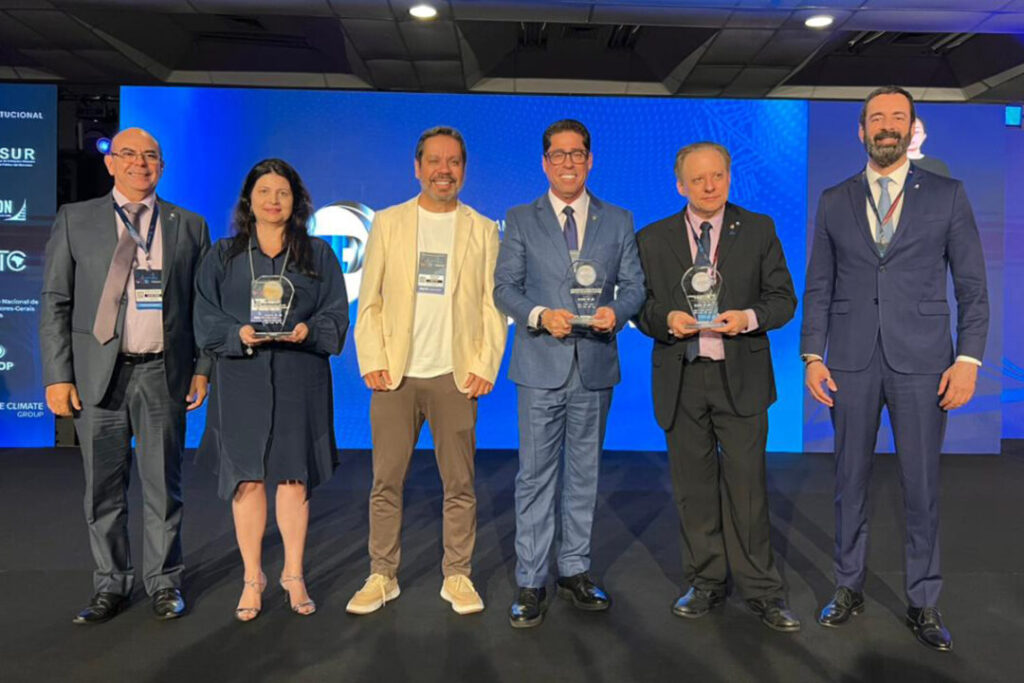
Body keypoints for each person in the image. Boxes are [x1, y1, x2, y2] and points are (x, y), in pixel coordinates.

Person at [802, 85, 988, 652]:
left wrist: (968, 360)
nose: (887, 126)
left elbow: (972, 288)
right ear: (861, 130)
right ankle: (848, 585)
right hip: (850, 361)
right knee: (848, 483)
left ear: (912, 129)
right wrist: (813, 355)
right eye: (877, 118)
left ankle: (924, 601)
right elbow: (819, 285)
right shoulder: (834, 199)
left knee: (922, 487)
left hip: (925, 363)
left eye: (897, 117)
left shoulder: (948, 195)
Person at [40, 127, 211, 623]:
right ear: (110, 162)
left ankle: (164, 582)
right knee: (103, 490)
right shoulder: (76, 219)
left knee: (163, 487)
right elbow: (55, 301)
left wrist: (203, 368)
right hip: (98, 376)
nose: (141, 163)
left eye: (151, 156)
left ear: (163, 166)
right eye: (129, 154)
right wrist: (57, 375)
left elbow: (203, 306)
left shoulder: (188, 225)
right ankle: (110, 584)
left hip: (163, 373)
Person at [634, 141, 801, 632]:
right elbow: (640, 307)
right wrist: (666, 319)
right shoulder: (653, 237)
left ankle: (762, 590)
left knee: (748, 488)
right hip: (682, 376)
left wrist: (747, 318)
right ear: (679, 185)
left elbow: (783, 299)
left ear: (729, 178)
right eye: (698, 179)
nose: (709, 187)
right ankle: (706, 581)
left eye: (718, 177)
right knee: (693, 488)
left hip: (740, 376)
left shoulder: (759, 228)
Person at [348, 126, 507, 616]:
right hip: (395, 377)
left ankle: (457, 574)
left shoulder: (483, 228)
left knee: (459, 484)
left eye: (453, 161)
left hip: (454, 376)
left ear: (464, 170)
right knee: (385, 482)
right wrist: (373, 359)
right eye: (434, 161)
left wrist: (485, 364)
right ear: (417, 168)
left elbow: (493, 305)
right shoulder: (389, 222)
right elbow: (369, 300)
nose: (444, 170)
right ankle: (382, 574)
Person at [494, 119, 645, 629]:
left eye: (576, 153)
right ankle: (531, 579)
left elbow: (635, 287)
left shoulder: (617, 219)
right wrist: (540, 315)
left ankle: (575, 569)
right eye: (557, 154)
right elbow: (505, 288)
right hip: (540, 363)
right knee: (535, 476)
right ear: (544, 163)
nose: (568, 163)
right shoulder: (521, 218)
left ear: (590, 160)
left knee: (584, 474)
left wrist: (615, 312)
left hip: (595, 363)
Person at [193, 158, 349, 621]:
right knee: (247, 478)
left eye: (283, 192)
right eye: (264, 192)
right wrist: (236, 333)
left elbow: (336, 312)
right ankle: (252, 577)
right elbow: (204, 313)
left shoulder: (317, 254)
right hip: (240, 376)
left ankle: (293, 574)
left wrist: (309, 330)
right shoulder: (224, 254)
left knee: (294, 477)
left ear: (296, 201)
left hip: (300, 375)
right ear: (249, 199)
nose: (273, 201)